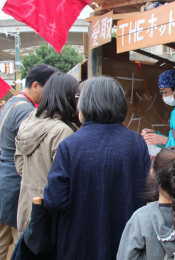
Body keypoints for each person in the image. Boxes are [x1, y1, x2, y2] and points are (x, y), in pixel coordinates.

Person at [43, 76, 150, 260]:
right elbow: (146, 193)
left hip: (78, 244)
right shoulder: (136, 143)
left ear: (85, 105)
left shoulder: (70, 146)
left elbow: (54, 200)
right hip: (126, 243)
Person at [0, 64, 57, 259]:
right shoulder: (26, 111)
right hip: (14, 183)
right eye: (48, 89)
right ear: (35, 85)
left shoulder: (12, 102)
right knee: (19, 242)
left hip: (3, 178)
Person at [15, 72, 80, 233]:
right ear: (67, 97)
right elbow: (64, 180)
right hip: (49, 212)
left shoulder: (29, 120)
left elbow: (19, 165)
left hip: (26, 205)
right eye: (76, 95)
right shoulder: (62, 131)